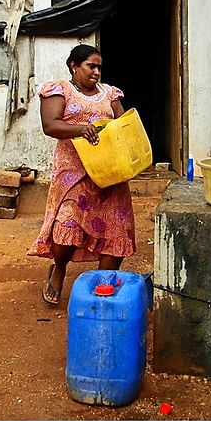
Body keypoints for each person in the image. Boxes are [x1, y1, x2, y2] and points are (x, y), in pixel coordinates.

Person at [27, 44, 136, 305]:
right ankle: (59, 268)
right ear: (74, 66)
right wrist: (81, 129)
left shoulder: (110, 94)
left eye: (99, 67)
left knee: (115, 228)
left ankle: (103, 286)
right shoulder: (59, 90)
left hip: (110, 173)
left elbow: (123, 126)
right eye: (91, 66)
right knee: (68, 224)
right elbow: (50, 125)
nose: (96, 72)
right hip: (74, 173)